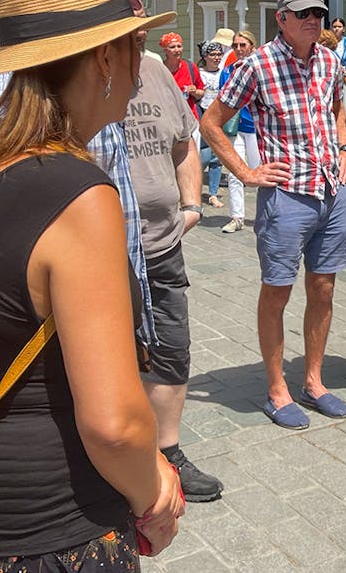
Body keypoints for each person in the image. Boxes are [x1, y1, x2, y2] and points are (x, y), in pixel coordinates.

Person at [0, 0, 184, 568]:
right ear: (102, 59)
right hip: (53, 525)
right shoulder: (80, 195)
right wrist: (155, 494)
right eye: (132, 44)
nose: (139, 63)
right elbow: (114, 424)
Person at [0, 0, 163, 358]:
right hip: (62, 343)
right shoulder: (76, 188)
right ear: (103, 57)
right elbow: (113, 423)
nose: (137, 8)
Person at [199, 0, 346, 429]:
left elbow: (336, 110)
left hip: (330, 192)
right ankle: (276, 388)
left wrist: (344, 148)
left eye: (318, 13)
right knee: (278, 290)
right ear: (281, 18)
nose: (313, 20)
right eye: (303, 13)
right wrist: (247, 175)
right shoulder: (256, 65)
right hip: (286, 199)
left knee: (323, 288)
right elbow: (211, 123)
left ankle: (313, 381)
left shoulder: (329, 60)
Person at [123, 26, 224, 503]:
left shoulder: (154, 69)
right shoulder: (69, 78)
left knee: (172, 349)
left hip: (163, 245)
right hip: (102, 254)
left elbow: (184, 141)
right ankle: (118, 461)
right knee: (108, 360)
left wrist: (192, 205)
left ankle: (168, 453)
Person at [218, 29, 259, 233]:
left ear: (252, 46)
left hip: (255, 127)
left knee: (259, 170)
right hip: (234, 128)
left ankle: (264, 215)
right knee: (235, 172)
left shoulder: (259, 69)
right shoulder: (227, 72)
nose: (239, 49)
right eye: (235, 45)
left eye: (243, 45)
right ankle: (237, 216)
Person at [197, 41, 226, 207]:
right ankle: (194, 189)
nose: (216, 58)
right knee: (204, 155)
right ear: (205, 56)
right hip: (203, 114)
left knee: (217, 157)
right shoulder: (200, 73)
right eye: (212, 54)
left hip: (220, 115)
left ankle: (213, 193)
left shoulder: (223, 73)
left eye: (218, 54)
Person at [161, 32, 204, 120]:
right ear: (165, 50)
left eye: (179, 46)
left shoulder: (190, 67)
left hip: (190, 117)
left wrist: (194, 91)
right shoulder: (160, 68)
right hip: (167, 118)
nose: (177, 50)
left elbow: (201, 93)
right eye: (172, 47)